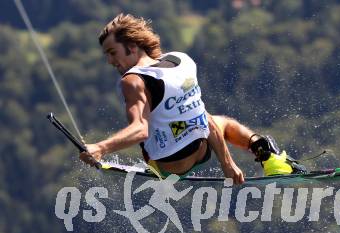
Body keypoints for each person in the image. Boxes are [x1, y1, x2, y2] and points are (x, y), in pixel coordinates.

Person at [80, 13, 304, 184]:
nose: (110, 61)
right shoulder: (181, 60)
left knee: (171, 128)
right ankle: (269, 156)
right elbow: (202, 117)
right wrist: (228, 164)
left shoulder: (133, 80)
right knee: (220, 121)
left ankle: (164, 152)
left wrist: (101, 147)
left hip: (170, 163)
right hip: (202, 150)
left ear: (131, 46)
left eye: (112, 52)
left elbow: (141, 129)